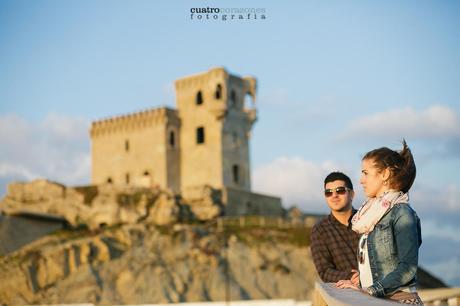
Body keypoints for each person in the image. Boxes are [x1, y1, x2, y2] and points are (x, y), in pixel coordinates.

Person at [336, 140, 423, 305]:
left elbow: (408, 268)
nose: (361, 180)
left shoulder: (401, 212)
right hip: (377, 301)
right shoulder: (373, 215)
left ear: (385, 174)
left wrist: (369, 291)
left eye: (365, 173)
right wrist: (360, 281)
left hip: (398, 302)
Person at [311, 172, 360, 282]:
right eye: (328, 192)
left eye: (340, 190)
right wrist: (351, 277)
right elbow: (324, 271)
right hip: (347, 294)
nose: (334, 196)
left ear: (351, 194)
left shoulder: (368, 219)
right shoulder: (320, 230)